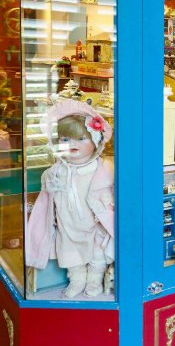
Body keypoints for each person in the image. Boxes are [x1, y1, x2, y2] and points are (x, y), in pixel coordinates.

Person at [25, 100, 114, 298]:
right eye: (65, 139)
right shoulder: (56, 171)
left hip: (95, 223)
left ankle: (94, 280)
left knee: (98, 252)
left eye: (81, 138)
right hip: (68, 222)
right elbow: (46, 195)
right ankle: (77, 279)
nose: (72, 144)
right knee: (70, 252)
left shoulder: (104, 168)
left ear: (96, 141)